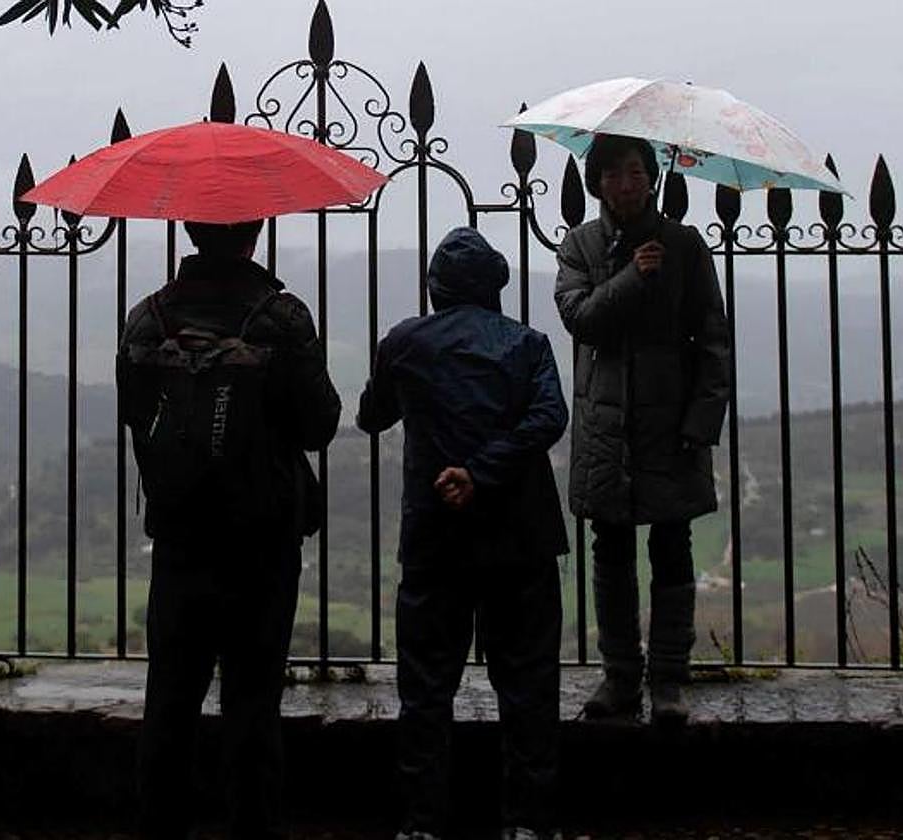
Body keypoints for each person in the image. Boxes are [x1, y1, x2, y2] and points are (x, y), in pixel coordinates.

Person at [117, 219, 341, 840]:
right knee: (252, 699)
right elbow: (319, 424)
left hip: (181, 533)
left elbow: (135, 412)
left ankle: (160, 828)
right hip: (262, 538)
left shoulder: (149, 316)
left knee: (170, 697)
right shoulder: (281, 318)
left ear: (190, 229)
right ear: (255, 232)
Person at [358, 227, 568, 840]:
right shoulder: (527, 345)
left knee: (426, 687)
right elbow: (549, 418)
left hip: (435, 539)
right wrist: (484, 471)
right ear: (496, 286)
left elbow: (373, 417)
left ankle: (423, 822)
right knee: (527, 685)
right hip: (520, 538)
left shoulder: (406, 342)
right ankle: (527, 822)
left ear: (435, 288)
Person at [553, 134, 731, 724]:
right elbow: (581, 321)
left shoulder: (685, 246)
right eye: (613, 175)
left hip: (671, 425)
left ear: (651, 179)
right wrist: (632, 274)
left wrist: (701, 423)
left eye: (635, 173)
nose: (625, 185)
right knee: (610, 552)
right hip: (608, 430)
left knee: (673, 549)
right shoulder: (579, 246)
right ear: (596, 183)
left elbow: (713, 342)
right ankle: (620, 677)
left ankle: (670, 681)